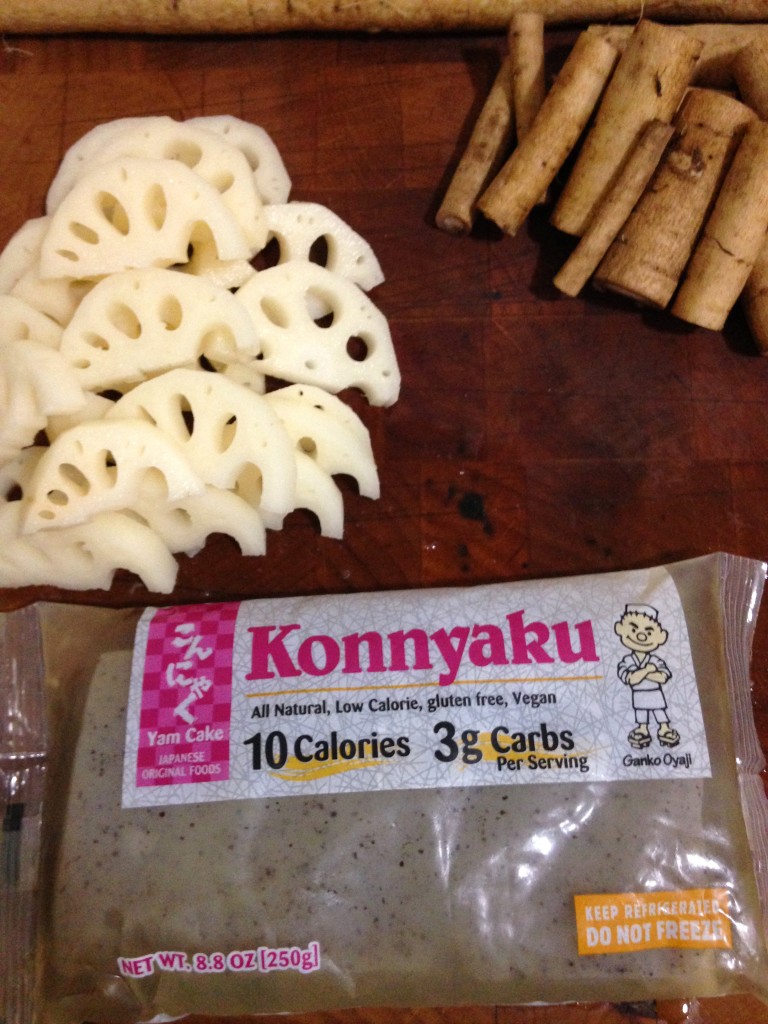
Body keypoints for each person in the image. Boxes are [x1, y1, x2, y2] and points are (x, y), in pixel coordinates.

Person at [614, 603, 680, 750]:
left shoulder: (655, 660)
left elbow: (663, 677)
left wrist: (642, 673)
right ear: (620, 629)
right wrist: (648, 671)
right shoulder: (628, 661)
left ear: (661, 637)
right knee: (641, 713)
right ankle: (643, 730)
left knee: (659, 711)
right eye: (633, 629)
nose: (641, 635)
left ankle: (664, 729)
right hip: (639, 694)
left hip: (655, 693)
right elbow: (631, 679)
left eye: (649, 632)